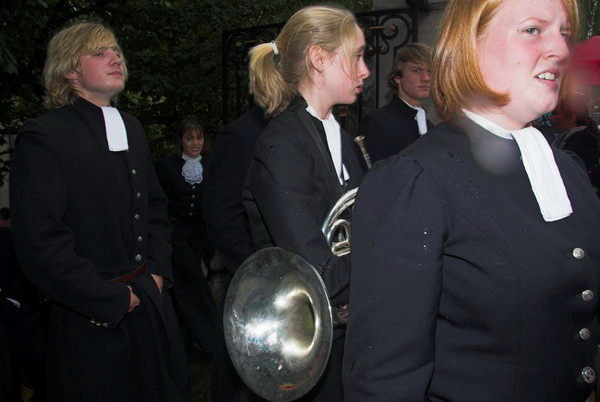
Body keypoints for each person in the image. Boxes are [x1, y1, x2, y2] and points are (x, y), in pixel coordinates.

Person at [344, 0, 600, 401]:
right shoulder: (414, 179)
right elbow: (385, 382)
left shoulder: (566, 169)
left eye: (564, 33)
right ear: (469, 46)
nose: (561, 50)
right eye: (533, 30)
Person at [9, 22, 190, 402]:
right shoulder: (43, 136)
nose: (116, 57)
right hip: (89, 319)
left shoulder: (131, 127)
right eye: (100, 52)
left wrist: (156, 273)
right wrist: (112, 299)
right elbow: (40, 242)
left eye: (117, 50)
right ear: (70, 70)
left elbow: (155, 209)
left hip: (149, 304)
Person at [242, 4, 369, 400]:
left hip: (351, 329)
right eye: (358, 55)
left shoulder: (343, 136)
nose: (365, 70)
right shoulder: (283, 144)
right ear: (319, 57)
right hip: (316, 336)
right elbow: (321, 272)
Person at [155, 118, 218, 356]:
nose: (195, 143)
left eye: (199, 137)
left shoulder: (212, 166)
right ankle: (208, 338)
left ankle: (196, 336)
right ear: (181, 140)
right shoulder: (167, 167)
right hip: (176, 237)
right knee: (192, 285)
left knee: (193, 285)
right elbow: (158, 203)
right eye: (189, 138)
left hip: (202, 238)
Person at [360, 42, 433, 163]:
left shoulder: (431, 126)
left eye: (429, 71)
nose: (426, 78)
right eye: (416, 70)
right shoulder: (377, 123)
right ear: (398, 78)